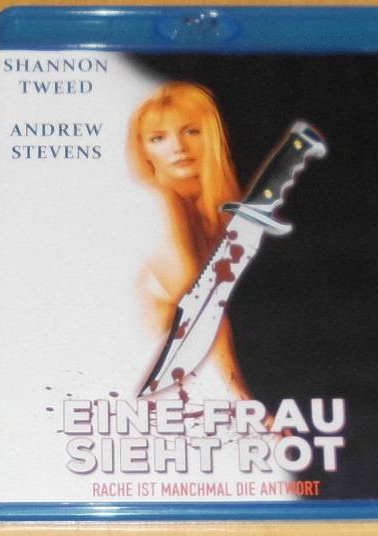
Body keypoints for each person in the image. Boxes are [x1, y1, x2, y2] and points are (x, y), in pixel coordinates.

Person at [129, 81, 250, 401]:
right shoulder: (155, 205)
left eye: (191, 131)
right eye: (158, 138)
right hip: (158, 392)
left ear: (211, 137)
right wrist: (246, 407)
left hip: (190, 389)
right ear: (143, 150)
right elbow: (201, 311)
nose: (178, 147)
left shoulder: (217, 212)